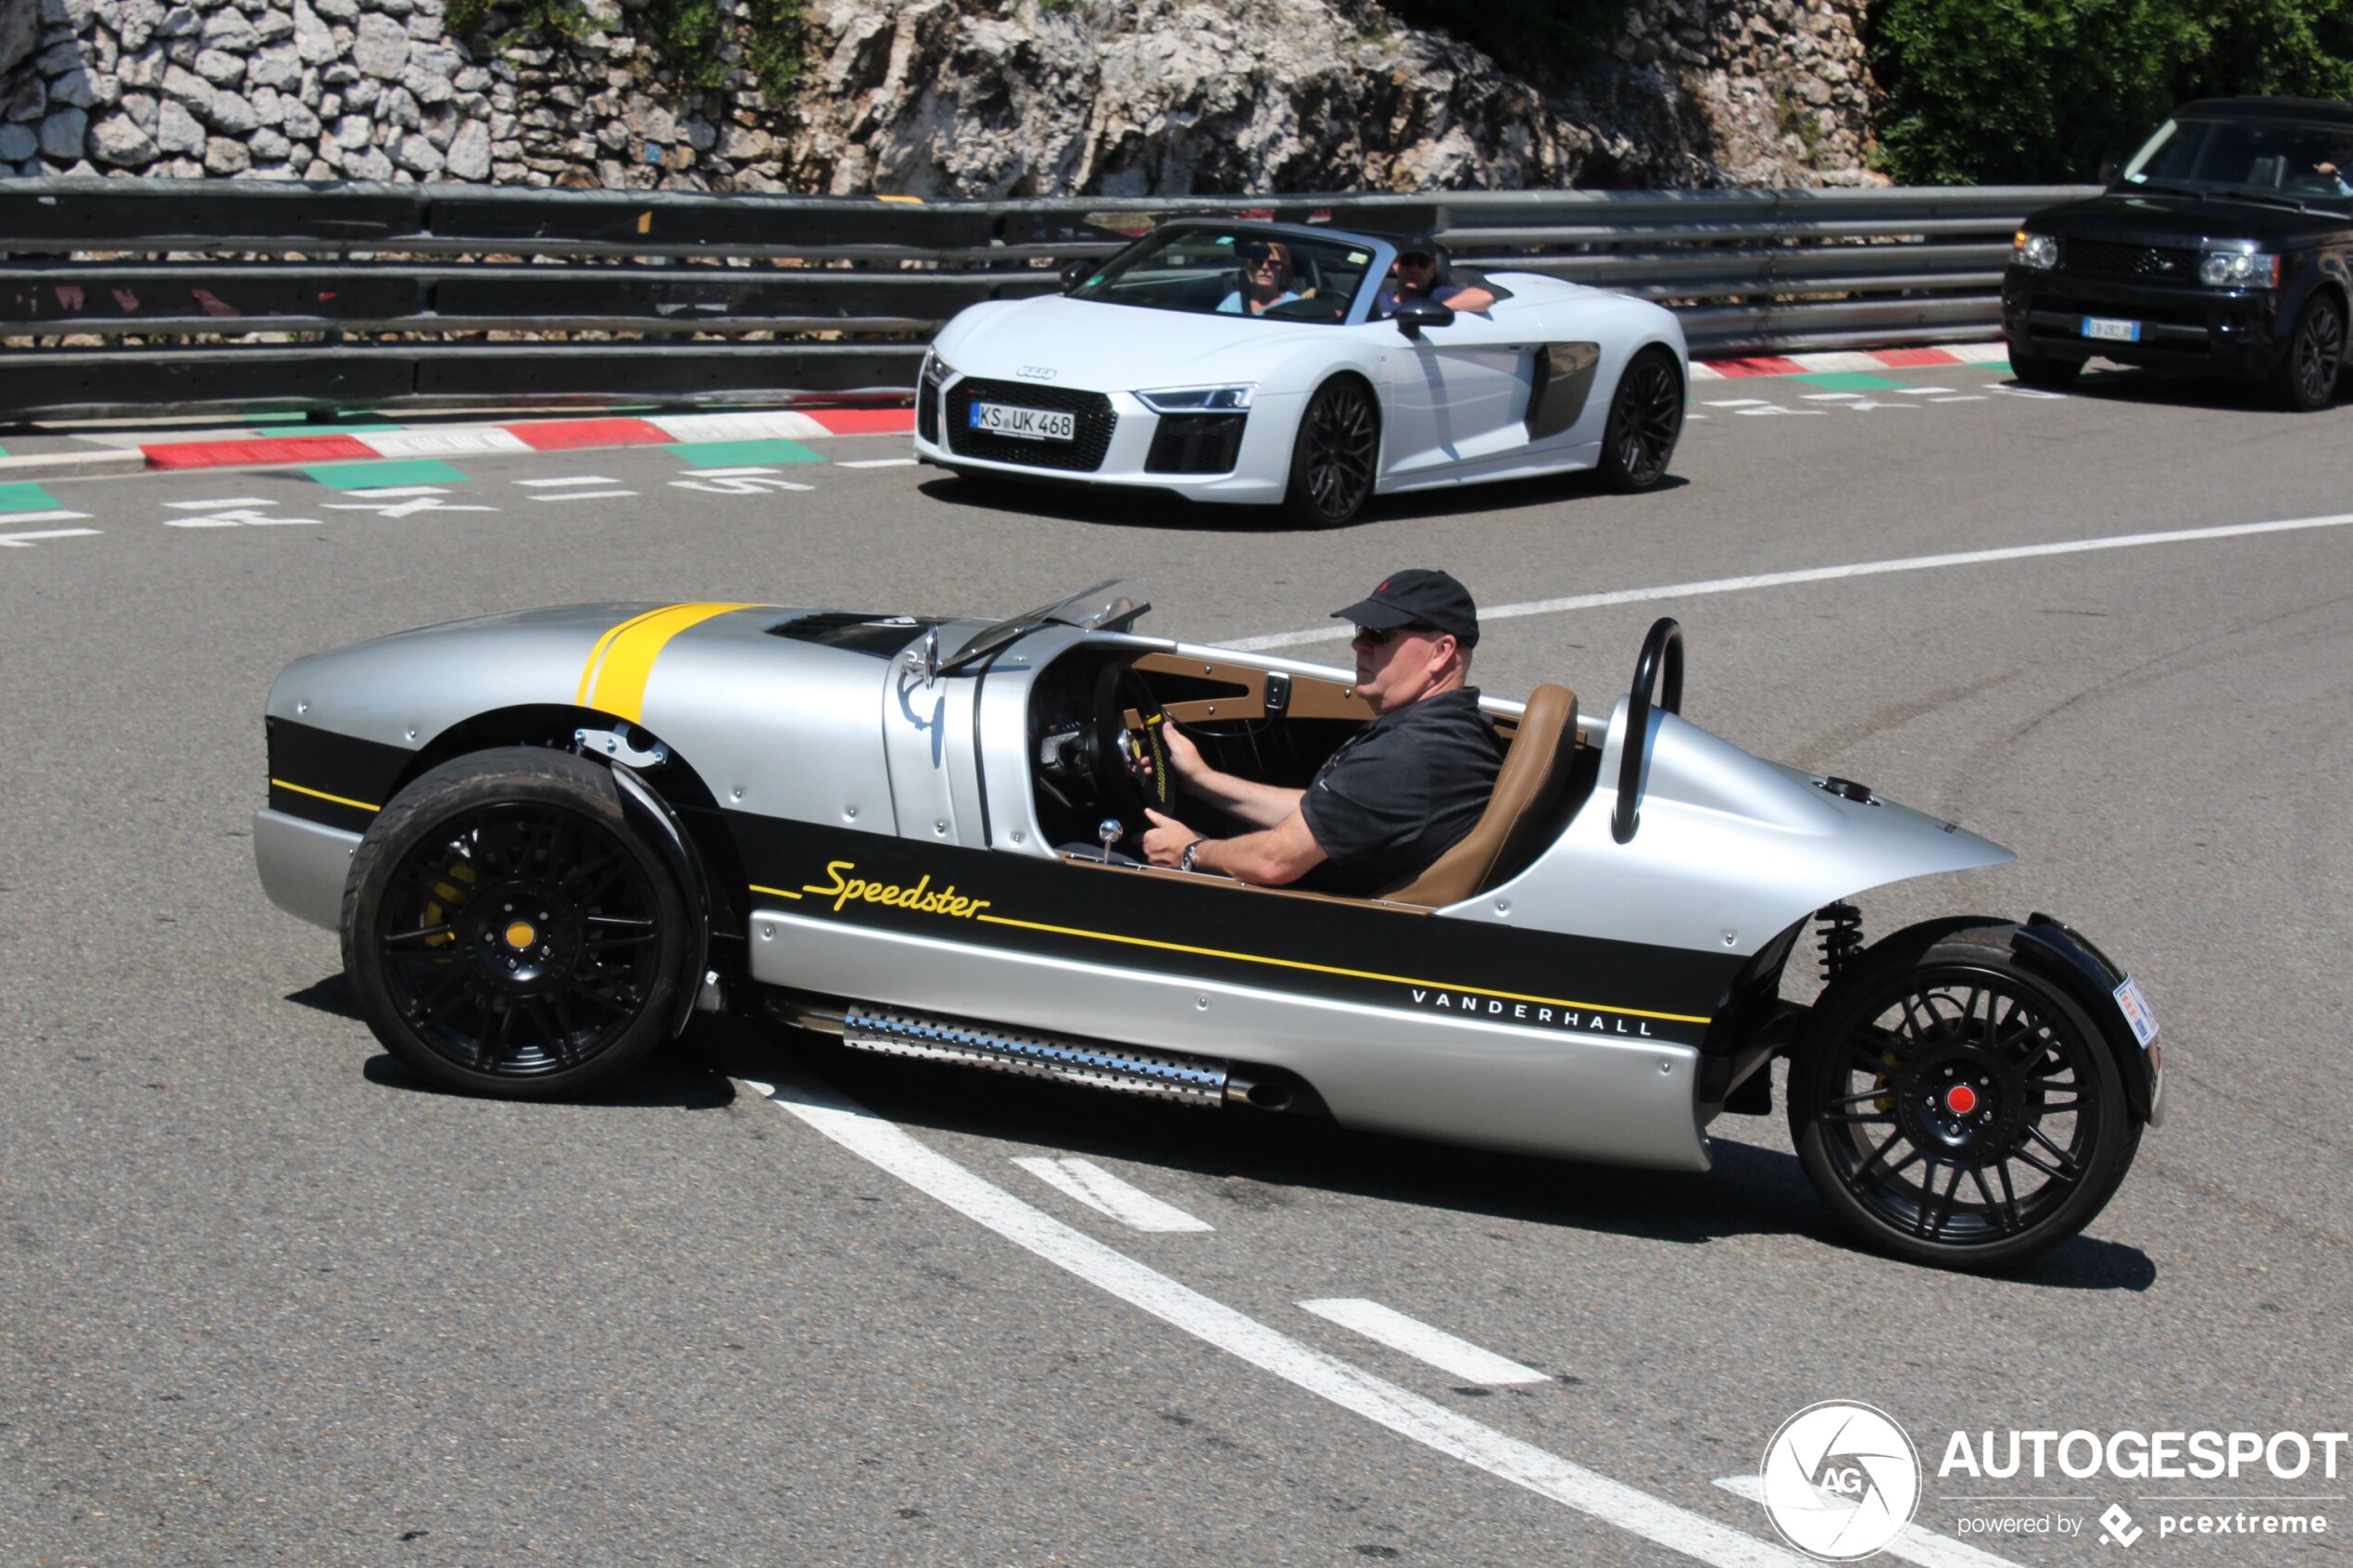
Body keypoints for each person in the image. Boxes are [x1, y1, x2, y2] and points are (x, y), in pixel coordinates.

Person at [1140, 570, 1505, 897]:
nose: (1358, 644)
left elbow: (1275, 860)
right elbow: (1327, 813)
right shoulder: (1454, 729)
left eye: (1379, 634)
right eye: (1361, 631)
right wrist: (1202, 781)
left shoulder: (1405, 755)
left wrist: (1188, 851)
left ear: (1441, 652)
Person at [1371, 239, 1499, 318]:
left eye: (1423, 263)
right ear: (1396, 266)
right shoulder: (1377, 301)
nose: (1415, 269)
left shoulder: (1438, 295)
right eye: (1408, 262)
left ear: (1433, 269)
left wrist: (1437, 310)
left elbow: (1484, 298)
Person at [1215, 240, 1300, 315]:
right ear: (1251, 267)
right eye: (1258, 262)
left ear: (1283, 269)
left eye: (1273, 263)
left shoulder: (1295, 304)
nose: (1265, 267)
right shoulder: (1235, 301)